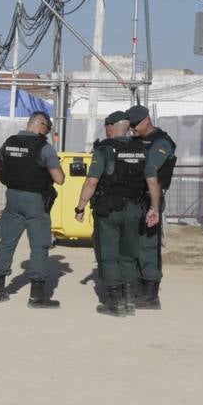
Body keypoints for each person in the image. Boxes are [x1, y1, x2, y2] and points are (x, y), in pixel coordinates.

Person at [0, 111, 65, 307]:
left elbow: (1, 169)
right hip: (35, 199)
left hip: (12, 196)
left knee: (6, 242)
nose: (47, 133)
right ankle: (36, 296)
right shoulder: (44, 148)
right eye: (47, 129)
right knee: (39, 246)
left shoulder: (8, 143)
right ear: (40, 124)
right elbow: (60, 179)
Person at [74, 111, 140, 317]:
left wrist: (80, 207)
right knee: (129, 254)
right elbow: (153, 181)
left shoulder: (103, 150)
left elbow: (91, 181)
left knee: (109, 255)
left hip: (108, 209)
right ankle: (129, 301)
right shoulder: (141, 149)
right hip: (135, 208)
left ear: (111, 128)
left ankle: (115, 303)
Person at [128, 104, 176, 310]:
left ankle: (150, 294)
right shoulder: (133, 141)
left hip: (151, 199)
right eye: (130, 125)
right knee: (133, 244)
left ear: (147, 120)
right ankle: (137, 287)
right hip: (133, 197)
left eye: (135, 125)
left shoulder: (162, 141)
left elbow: (151, 167)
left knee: (148, 244)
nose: (132, 129)